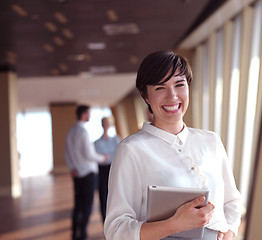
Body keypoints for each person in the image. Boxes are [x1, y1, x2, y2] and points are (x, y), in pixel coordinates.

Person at [104, 51, 242, 240]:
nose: (173, 96)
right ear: (146, 96)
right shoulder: (131, 150)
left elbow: (232, 201)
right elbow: (115, 230)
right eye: (160, 88)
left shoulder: (211, 141)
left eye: (179, 84)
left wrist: (229, 233)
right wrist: (174, 225)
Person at [65, 105, 107, 240]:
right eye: (89, 114)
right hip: (88, 173)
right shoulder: (83, 132)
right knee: (87, 206)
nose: (90, 116)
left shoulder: (70, 131)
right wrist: (103, 158)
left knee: (78, 205)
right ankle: (82, 234)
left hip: (77, 173)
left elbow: (66, 154)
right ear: (84, 114)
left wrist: (72, 168)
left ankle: (74, 234)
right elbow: (89, 154)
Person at [94, 117, 121, 222]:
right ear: (102, 125)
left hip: (114, 169)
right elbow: (99, 158)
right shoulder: (97, 143)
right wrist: (108, 156)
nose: (106, 125)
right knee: (103, 197)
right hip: (102, 171)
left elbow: (117, 154)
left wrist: (106, 156)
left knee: (116, 196)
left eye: (108, 123)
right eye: (104, 123)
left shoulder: (116, 140)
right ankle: (106, 224)